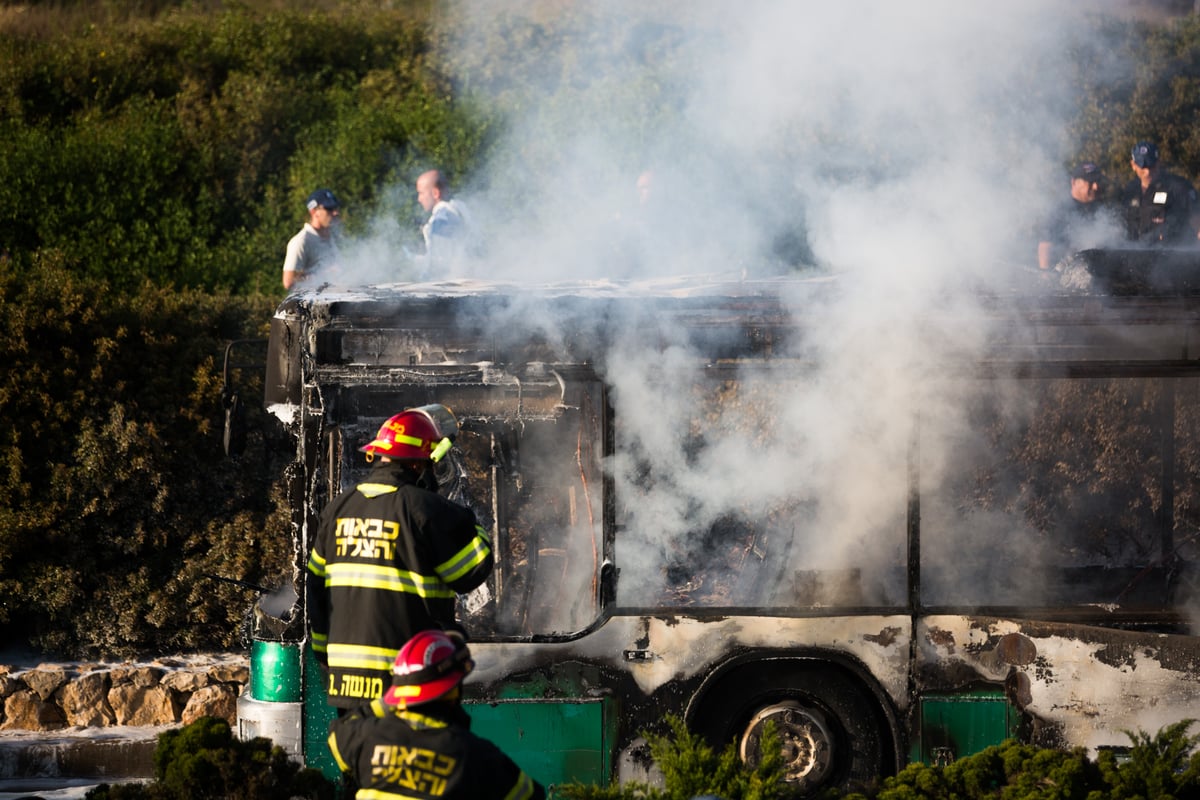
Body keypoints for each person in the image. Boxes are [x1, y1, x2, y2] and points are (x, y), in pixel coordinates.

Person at [306, 404, 494, 711]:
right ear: (422, 464)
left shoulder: (338, 509)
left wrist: (324, 653)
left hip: (345, 681)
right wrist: (467, 520)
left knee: (363, 755)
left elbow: (315, 587)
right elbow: (472, 570)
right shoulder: (425, 510)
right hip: (409, 677)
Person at [328, 629, 545, 800]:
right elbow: (531, 795)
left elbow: (341, 729)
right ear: (452, 691)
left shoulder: (366, 737)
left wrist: (391, 699)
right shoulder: (474, 757)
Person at [1037, 161, 1113, 270]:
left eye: (1097, 181)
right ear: (1074, 182)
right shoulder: (1060, 210)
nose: (1096, 186)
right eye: (1090, 182)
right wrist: (1045, 273)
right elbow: (1045, 245)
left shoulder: (1100, 209)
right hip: (1064, 275)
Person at [1120, 141, 1198, 246]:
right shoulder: (1130, 190)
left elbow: (1196, 217)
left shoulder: (1178, 187)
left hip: (1172, 256)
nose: (1147, 171)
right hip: (1137, 255)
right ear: (1133, 165)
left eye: (1151, 165)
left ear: (1158, 163)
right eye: (1143, 166)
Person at [415, 170, 473, 277]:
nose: (419, 199)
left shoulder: (442, 217)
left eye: (421, 193)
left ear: (435, 193)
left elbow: (440, 263)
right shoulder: (460, 206)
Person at [283, 188, 341, 290]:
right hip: (313, 304)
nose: (335, 213)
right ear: (314, 212)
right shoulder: (301, 241)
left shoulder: (332, 237)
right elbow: (289, 281)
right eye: (329, 209)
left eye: (335, 208)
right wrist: (323, 275)